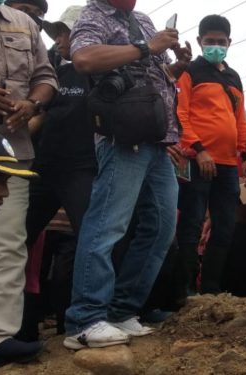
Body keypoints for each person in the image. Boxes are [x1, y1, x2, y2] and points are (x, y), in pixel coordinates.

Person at [62, 0, 192, 349]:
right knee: (107, 225)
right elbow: (84, 59)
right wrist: (146, 47)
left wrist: (176, 66)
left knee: (163, 226)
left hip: (158, 139)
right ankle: (84, 320)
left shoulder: (143, 20)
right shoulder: (93, 16)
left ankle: (121, 311)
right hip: (122, 136)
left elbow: (156, 74)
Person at [16, 4, 92, 342]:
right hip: (42, 167)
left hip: (82, 168)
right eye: (58, 32)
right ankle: (16, 329)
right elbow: (37, 116)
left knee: (89, 243)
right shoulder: (48, 68)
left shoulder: (98, 70)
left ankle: (81, 323)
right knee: (18, 241)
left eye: (66, 31)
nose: (60, 38)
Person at [0, 0, 57, 366]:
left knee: (9, 244)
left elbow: (46, 78)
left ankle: (0, 338)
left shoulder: (23, 24)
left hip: (12, 149)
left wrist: (32, 104)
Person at [175, 14, 246, 295]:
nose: (215, 46)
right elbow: (179, 113)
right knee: (191, 225)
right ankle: (183, 292)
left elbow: (240, 117)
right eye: (210, 41)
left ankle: (211, 291)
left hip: (229, 164)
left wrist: (245, 154)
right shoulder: (190, 72)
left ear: (229, 43)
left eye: (221, 41)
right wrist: (198, 150)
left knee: (225, 228)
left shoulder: (233, 76)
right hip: (197, 161)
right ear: (199, 42)